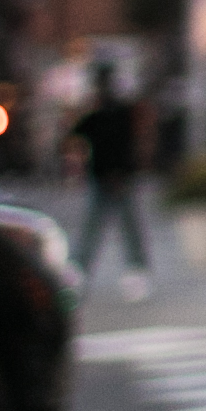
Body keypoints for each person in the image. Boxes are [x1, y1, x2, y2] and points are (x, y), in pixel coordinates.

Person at [69, 65, 151, 294]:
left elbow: (128, 143)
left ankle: (136, 270)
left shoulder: (119, 112)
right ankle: (81, 270)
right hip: (103, 176)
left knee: (126, 226)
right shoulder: (96, 114)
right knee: (96, 227)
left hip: (119, 176)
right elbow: (77, 132)